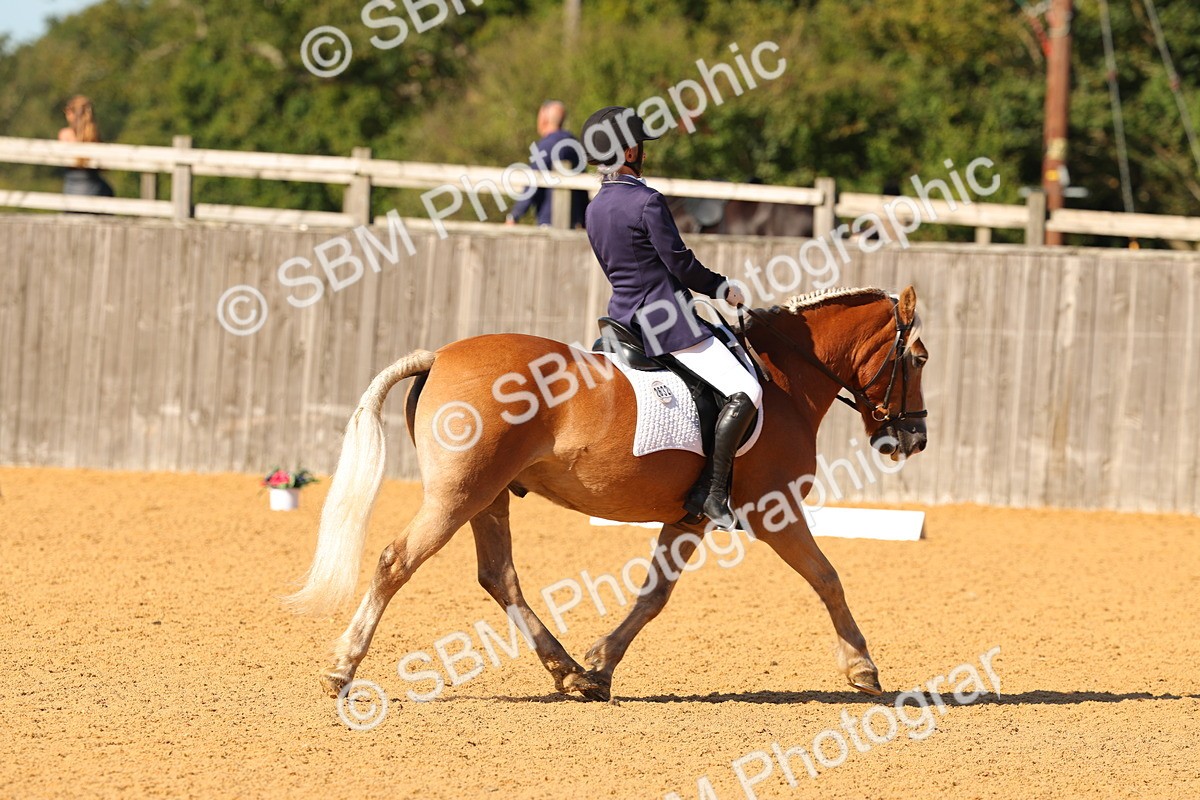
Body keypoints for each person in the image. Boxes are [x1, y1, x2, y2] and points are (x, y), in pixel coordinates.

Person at [580, 105, 762, 529]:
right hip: (667, 322)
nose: (644, 152)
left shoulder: (594, 208)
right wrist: (721, 288)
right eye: (639, 145)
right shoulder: (646, 201)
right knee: (746, 389)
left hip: (622, 319)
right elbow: (679, 263)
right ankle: (713, 492)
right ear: (628, 150)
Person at [505, 101, 587, 228]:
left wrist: (514, 215)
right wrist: (585, 220)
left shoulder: (546, 145)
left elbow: (532, 182)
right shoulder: (574, 144)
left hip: (549, 221)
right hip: (574, 222)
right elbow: (583, 186)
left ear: (544, 119)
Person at [58, 95, 114, 198]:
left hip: (72, 188)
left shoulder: (66, 134)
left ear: (71, 113)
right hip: (95, 188)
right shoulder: (94, 136)